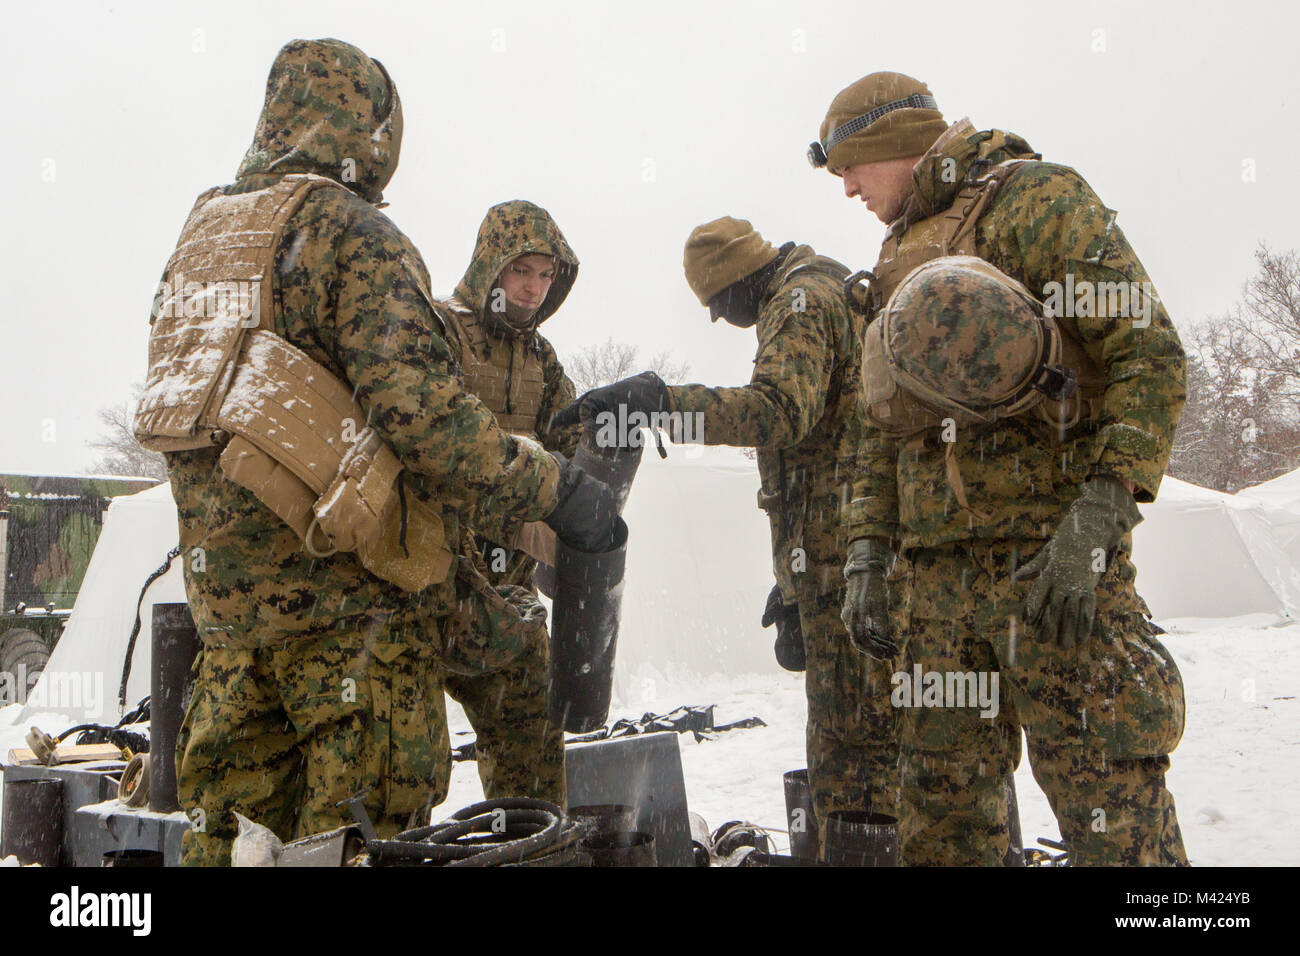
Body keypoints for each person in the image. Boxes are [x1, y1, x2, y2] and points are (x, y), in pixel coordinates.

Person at [132, 38, 617, 865]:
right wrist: (557, 487)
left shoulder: (204, 237)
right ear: (372, 126)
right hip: (352, 617)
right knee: (360, 835)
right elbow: (425, 421)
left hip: (232, 621)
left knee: (238, 838)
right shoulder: (351, 234)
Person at [812, 71, 1189, 865]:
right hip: (936, 594)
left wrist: (1099, 515)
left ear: (897, 144)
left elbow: (1147, 355)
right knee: (941, 826)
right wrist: (868, 552)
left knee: (1113, 816)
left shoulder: (1036, 201)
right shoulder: (893, 257)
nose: (845, 186)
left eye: (853, 164)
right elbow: (881, 427)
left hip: (1053, 576)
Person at [554, 218, 900, 853]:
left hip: (850, 559)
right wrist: (792, 583)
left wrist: (660, 403)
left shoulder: (800, 301)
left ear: (740, 278)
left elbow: (778, 414)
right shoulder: (814, 293)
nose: (716, 319)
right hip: (836, 559)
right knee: (855, 748)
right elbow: (813, 461)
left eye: (714, 302)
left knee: (856, 760)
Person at [435, 201, 583, 803]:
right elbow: (424, 452)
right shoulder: (440, 332)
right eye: (521, 270)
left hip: (508, 596)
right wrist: (511, 521)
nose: (533, 288)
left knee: (533, 755)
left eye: (546, 275)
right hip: (427, 585)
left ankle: (527, 845)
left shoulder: (542, 359)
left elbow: (569, 461)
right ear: (489, 266)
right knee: (407, 768)